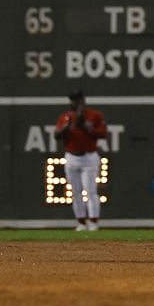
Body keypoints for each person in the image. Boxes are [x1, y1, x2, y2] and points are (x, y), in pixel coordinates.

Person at [53, 91, 108, 230]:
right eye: (73, 100)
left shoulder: (93, 116)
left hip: (89, 157)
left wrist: (87, 127)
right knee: (76, 192)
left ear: (83, 100)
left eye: (77, 100)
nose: (75, 103)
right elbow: (57, 135)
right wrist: (66, 127)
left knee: (90, 190)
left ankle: (94, 222)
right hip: (72, 157)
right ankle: (81, 222)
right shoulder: (66, 117)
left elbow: (103, 133)